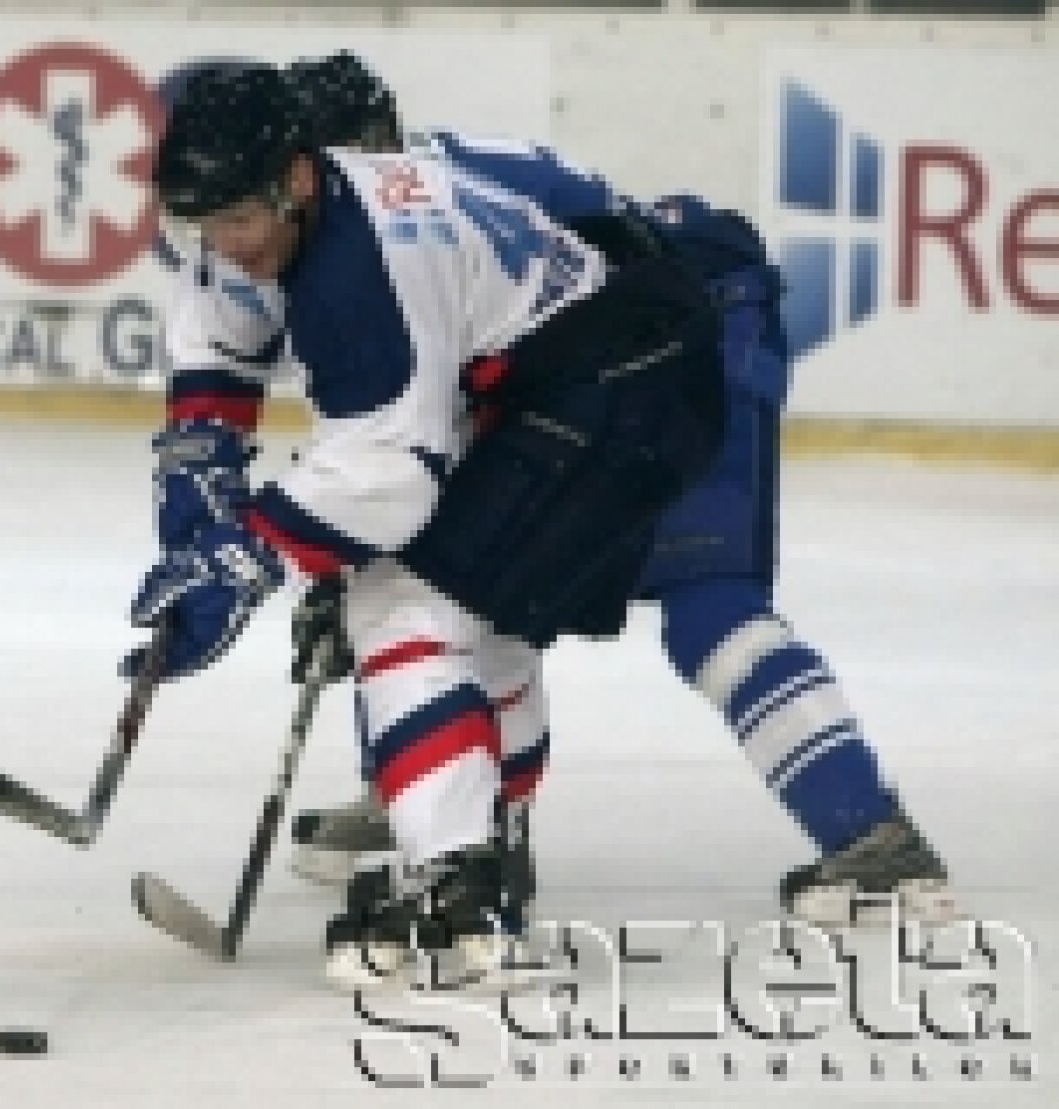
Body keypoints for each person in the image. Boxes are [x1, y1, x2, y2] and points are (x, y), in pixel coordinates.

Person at [281, 51, 954, 928]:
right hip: (605, 352)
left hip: (692, 332)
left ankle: (878, 843)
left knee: (709, 600)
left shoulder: (413, 216)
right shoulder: (389, 219)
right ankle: (450, 809)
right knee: (461, 582)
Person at [139, 62, 725, 987]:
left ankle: (460, 891)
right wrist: (197, 491)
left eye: (238, 220)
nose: (224, 244)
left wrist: (249, 550)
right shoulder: (273, 218)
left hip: (625, 385)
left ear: (295, 179)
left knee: (406, 607)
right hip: (576, 376)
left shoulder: (361, 267)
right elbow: (218, 346)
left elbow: (387, 477)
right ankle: (483, 859)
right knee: (473, 619)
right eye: (198, 224)